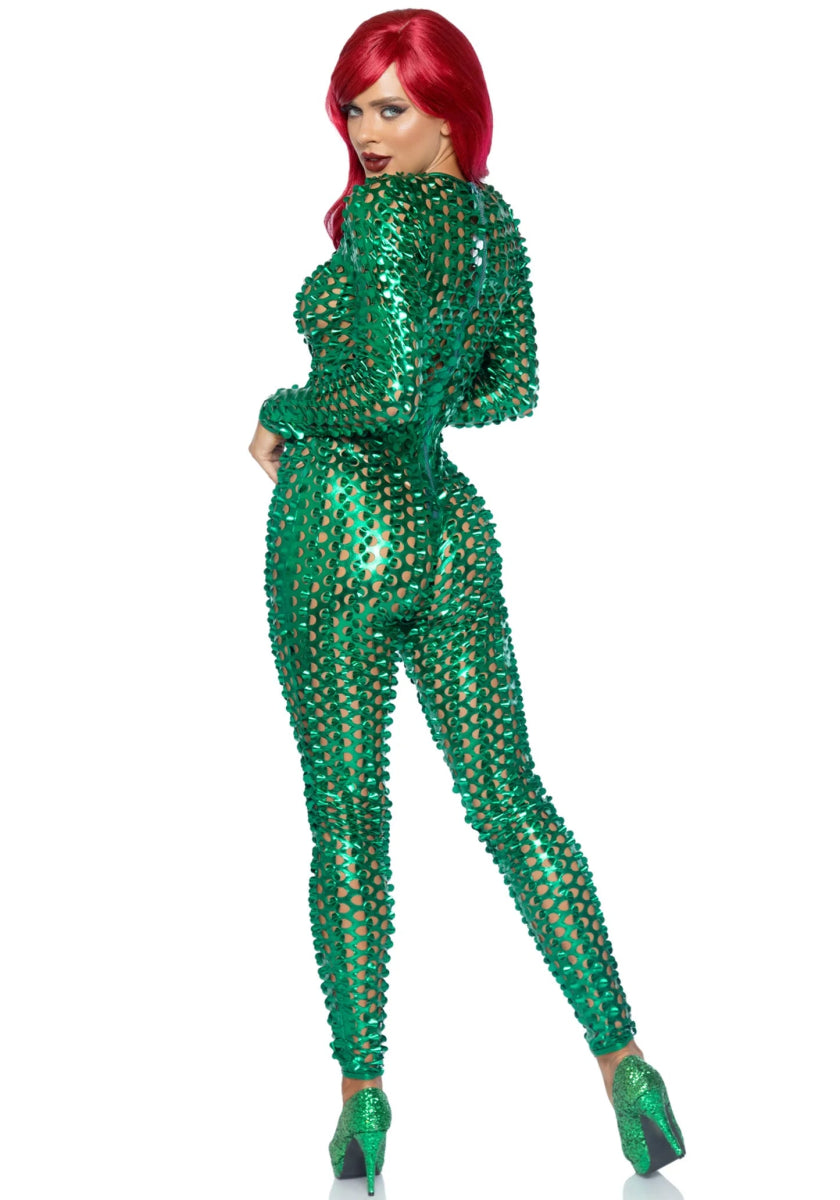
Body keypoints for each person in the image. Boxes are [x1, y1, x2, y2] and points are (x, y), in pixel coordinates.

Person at [248, 9, 686, 1194]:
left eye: (391, 107)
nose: (366, 131)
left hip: (338, 529)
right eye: (354, 107)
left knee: (349, 818)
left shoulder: (384, 219)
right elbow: (512, 389)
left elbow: (383, 390)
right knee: (509, 795)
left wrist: (285, 408)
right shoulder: (495, 227)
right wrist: (424, 404)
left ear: (451, 112)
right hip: (449, 531)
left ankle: (362, 1101)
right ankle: (628, 1066)